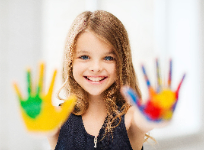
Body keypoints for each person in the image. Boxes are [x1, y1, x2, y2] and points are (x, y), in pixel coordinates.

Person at [48, 10, 154, 150]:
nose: (96, 67)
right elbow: (45, 129)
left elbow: (144, 121)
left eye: (108, 58)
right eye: (84, 57)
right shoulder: (57, 118)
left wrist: (156, 113)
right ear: (70, 61)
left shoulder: (130, 118)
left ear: (122, 63)